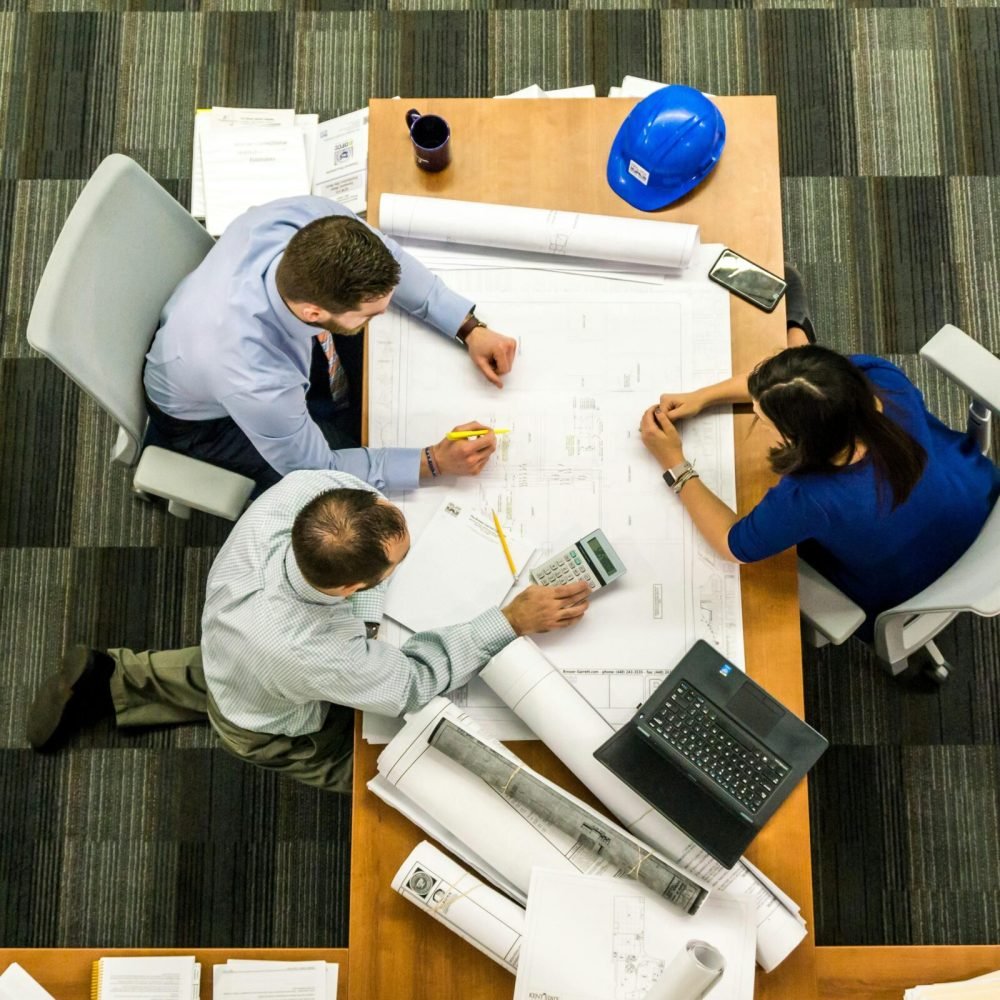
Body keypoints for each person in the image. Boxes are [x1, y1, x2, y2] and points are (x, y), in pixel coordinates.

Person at [26, 471, 590, 793]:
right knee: (382, 771)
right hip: (270, 720)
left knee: (229, 670)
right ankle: (124, 686)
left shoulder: (307, 492)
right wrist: (509, 620)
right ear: (349, 589)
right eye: (398, 562)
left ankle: (114, 677)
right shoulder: (311, 651)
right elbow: (413, 684)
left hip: (235, 643)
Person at [638, 281, 1000, 647]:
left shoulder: (810, 497)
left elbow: (734, 545)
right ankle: (798, 329)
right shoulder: (880, 380)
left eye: (764, 421)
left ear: (800, 441)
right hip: (977, 498)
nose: (759, 422)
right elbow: (798, 386)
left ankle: (797, 327)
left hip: (907, 582)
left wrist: (675, 463)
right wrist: (703, 397)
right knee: (793, 318)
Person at [143, 196, 519, 491]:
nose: (384, 315)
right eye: (370, 314)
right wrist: (433, 461)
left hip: (212, 332)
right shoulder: (255, 378)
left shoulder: (310, 220)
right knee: (341, 495)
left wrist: (467, 327)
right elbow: (318, 469)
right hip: (205, 421)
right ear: (313, 313)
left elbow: (392, 258)